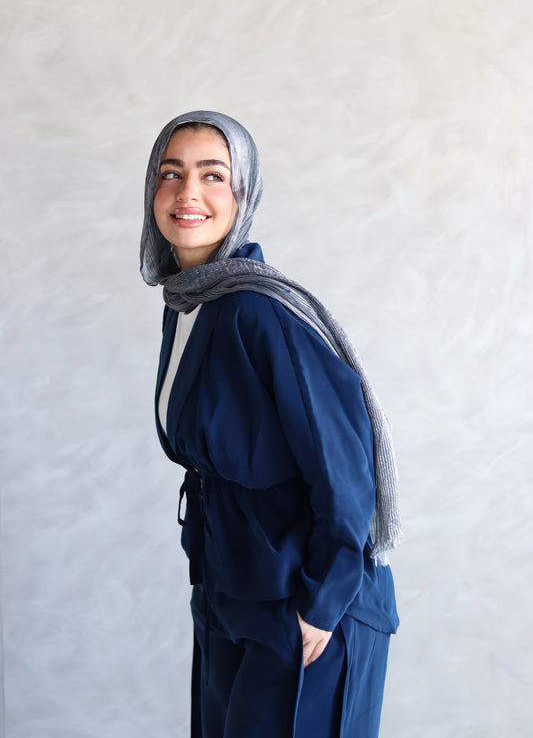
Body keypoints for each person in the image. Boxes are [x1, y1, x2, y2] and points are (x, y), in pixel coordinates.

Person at [140, 110, 402, 738]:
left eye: (213, 175)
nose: (188, 193)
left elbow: (345, 465)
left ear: (243, 193)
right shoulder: (190, 303)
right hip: (229, 593)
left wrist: (321, 602)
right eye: (171, 174)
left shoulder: (259, 313)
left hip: (306, 604)